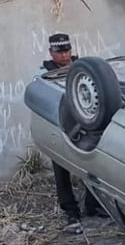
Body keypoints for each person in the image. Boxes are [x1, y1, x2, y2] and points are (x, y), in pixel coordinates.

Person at [37, 33, 108, 231]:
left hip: (85, 125)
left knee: (90, 165)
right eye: (60, 52)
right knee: (61, 170)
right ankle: (71, 212)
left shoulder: (82, 67)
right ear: (51, 53)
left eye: (67, 51)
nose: (64, 56)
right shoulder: (43, 73)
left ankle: (93, 206)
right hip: (59, 125)